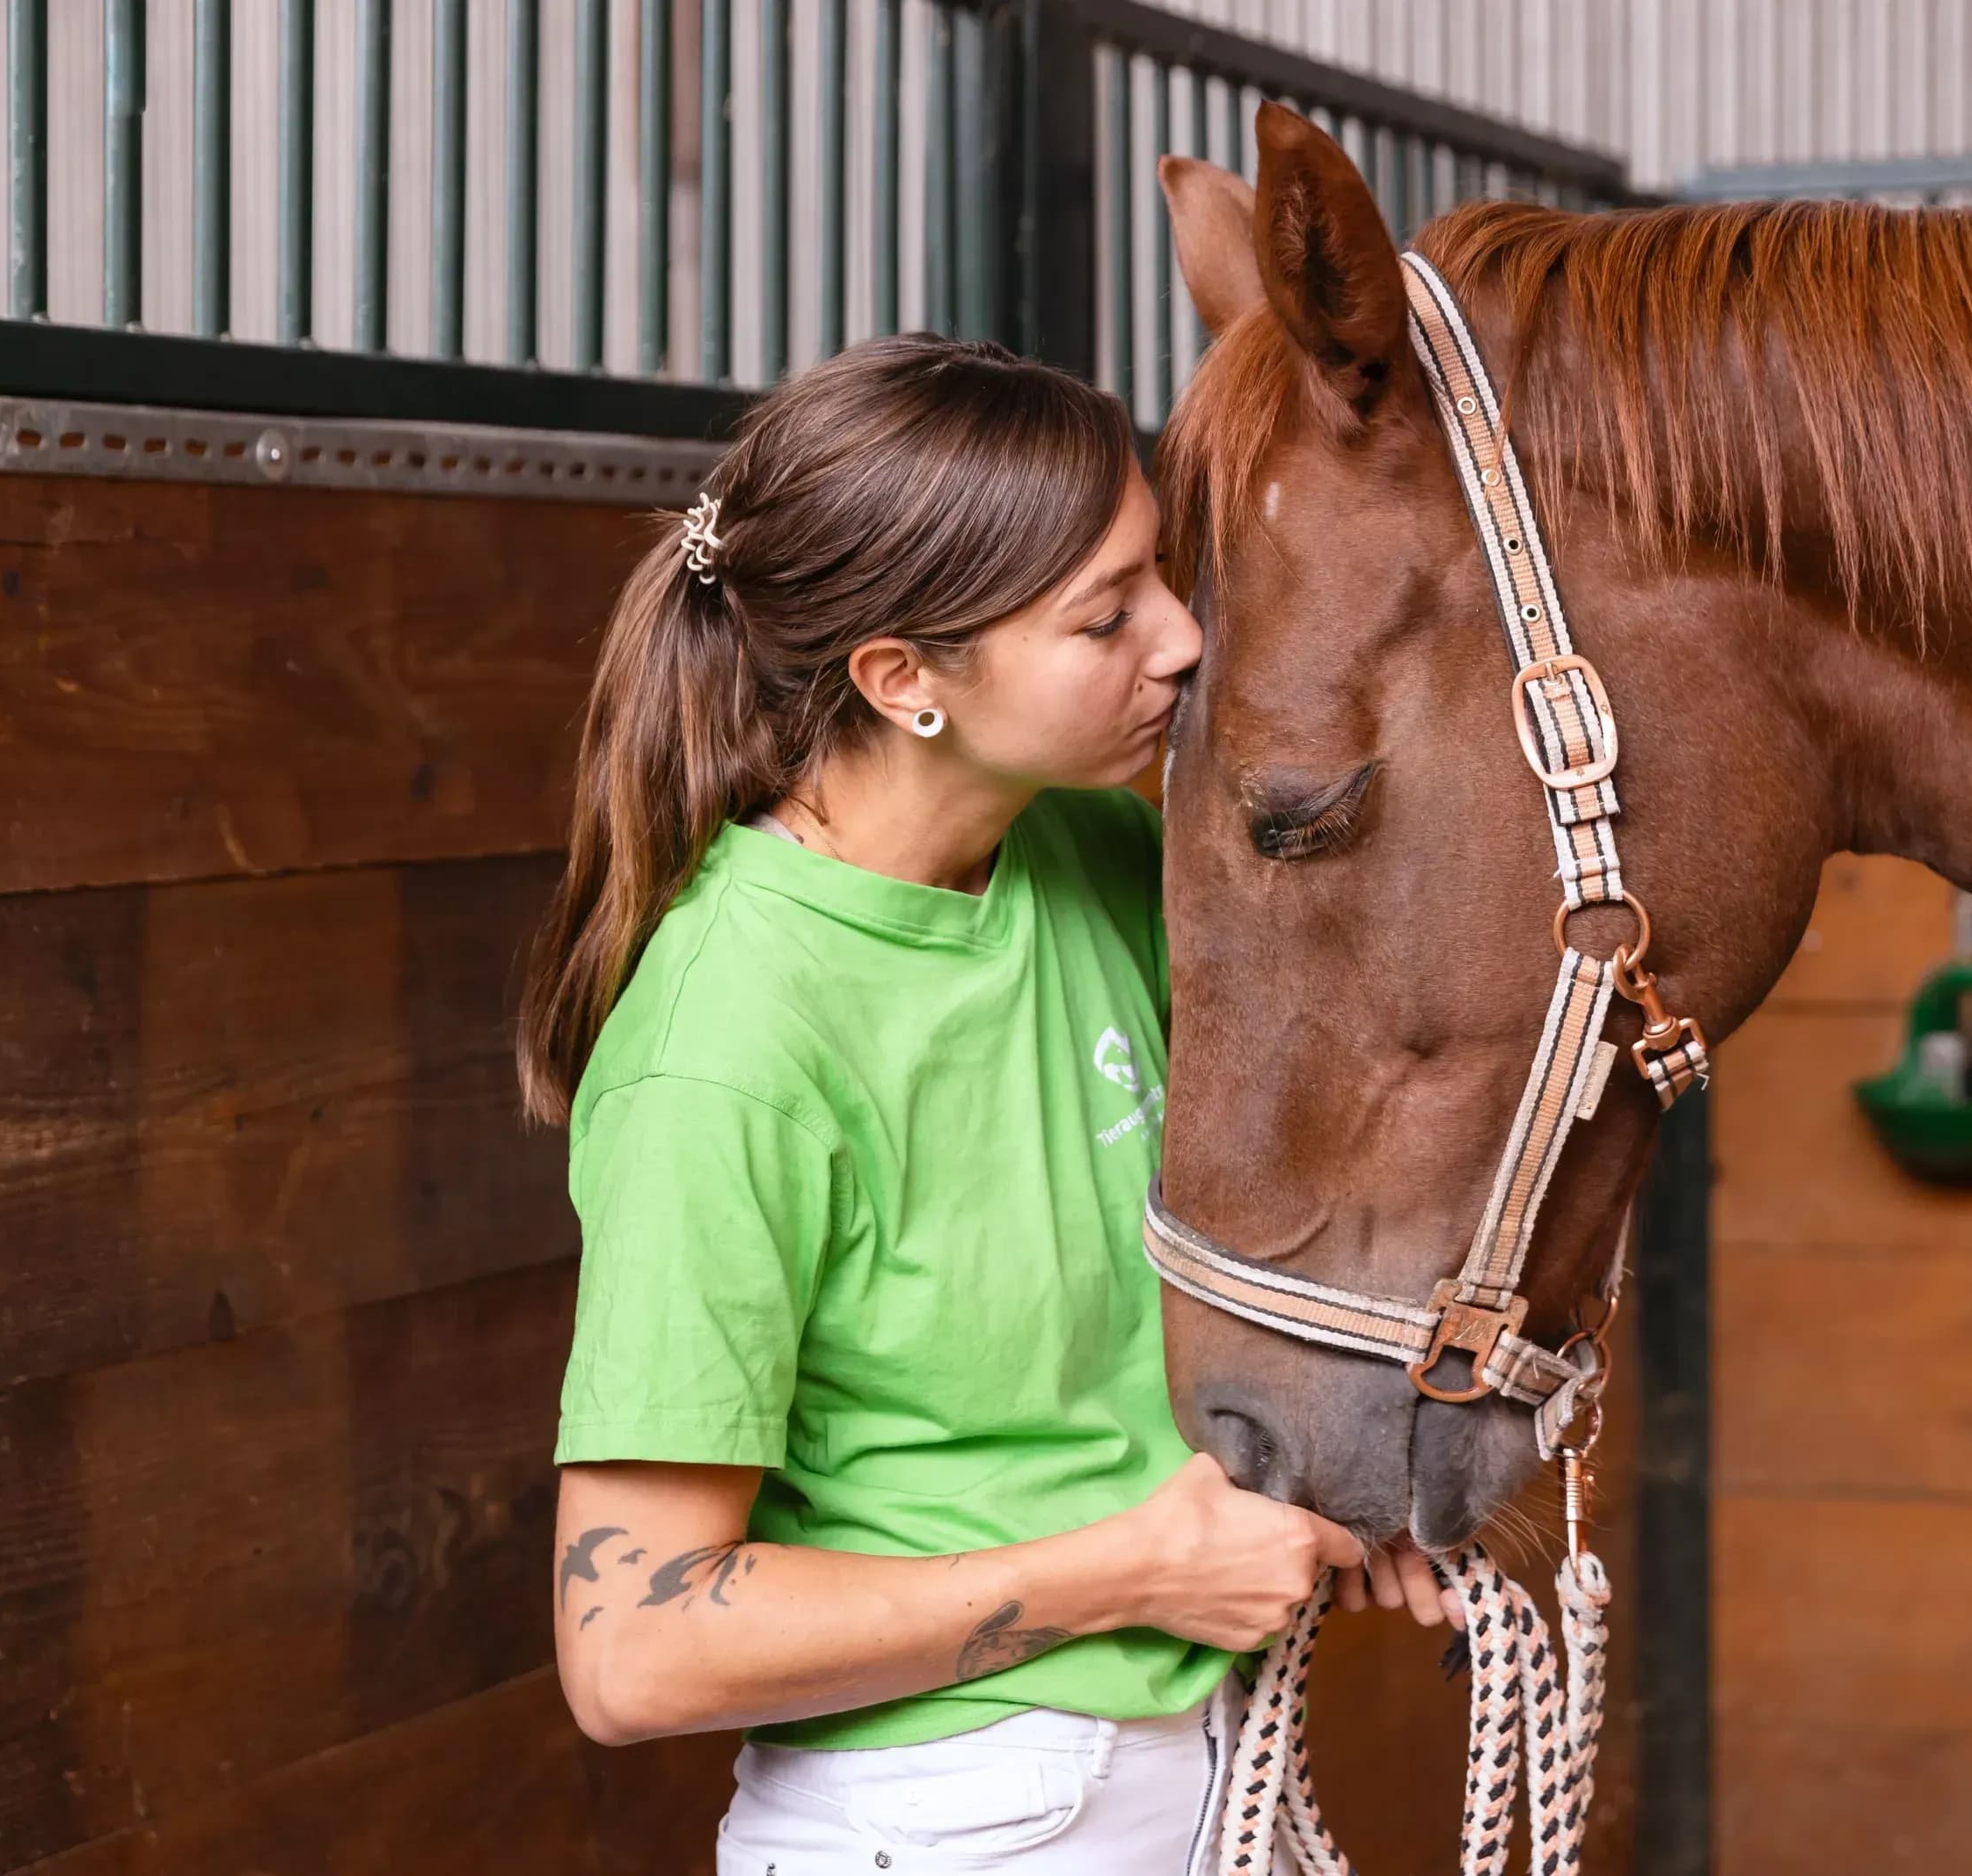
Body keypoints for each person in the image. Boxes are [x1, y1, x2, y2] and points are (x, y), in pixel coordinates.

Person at [516, 335, 1451, 1873]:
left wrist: (1333, 1484)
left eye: (1161, 573)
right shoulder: (729, 1041)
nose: (1184, 639)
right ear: (902, 679)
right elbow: (632, 1649)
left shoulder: (1083, 850)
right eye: (1107, 615)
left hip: (1201, 1769)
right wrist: (1133, 1570)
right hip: (958, 1819)